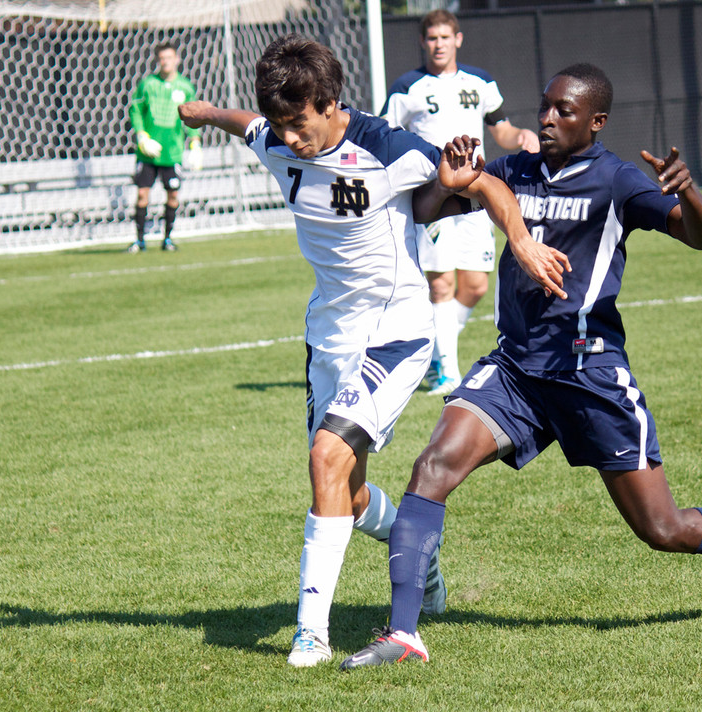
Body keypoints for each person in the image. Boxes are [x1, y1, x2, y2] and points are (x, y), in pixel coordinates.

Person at [341, 63, 702, 670]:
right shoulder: (514, 169)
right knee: (432, 467)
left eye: (563, 111)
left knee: (663, 528)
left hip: (590, 376)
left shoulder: (617, 180)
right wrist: (446, 184)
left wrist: (688, 192)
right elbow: (424, 210)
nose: (547, 119)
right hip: (516, 371)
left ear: (596, 122)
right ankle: (405, 633)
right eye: (544, 106)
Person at [177, 35, 568, 668]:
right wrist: (202, 113)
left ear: (330, 104)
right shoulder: (276, 139)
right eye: (280, 125)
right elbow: (243, 122)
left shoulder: (387, 147)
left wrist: (519, 241)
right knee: (347, 492)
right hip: (328, 338)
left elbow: (482, 185)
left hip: (395, 332)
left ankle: (310, 633)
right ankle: (421, 556)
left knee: (325, 457)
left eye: (299, 123)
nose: (289, 138)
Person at [381, 9, 540, 396]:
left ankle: (434, 351)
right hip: (433, 195)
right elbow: (386, 134)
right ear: (423, 42)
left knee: (475, 286)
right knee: (441, 285)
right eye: (432, 38)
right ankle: (447, 374)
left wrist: (521, 136)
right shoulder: (407, 87)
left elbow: (501, 130)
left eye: (445, 37)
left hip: (476, 193)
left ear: (458, 39)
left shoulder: (480, 82)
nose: (439, 44)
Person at [127, 41, 204, 253]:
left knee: (173, 195)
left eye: (169, 57)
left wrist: (195, 143)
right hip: (148, 152)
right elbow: (135, 110)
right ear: (157, 61)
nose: (165, 62)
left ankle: (167, 239)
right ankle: (140, 241)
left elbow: (193, 116)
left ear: (177, 59)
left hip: (172, 152)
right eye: (162, 58)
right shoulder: (148, 84)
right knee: (142, 194)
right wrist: (142, 136)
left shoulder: (185, 87)